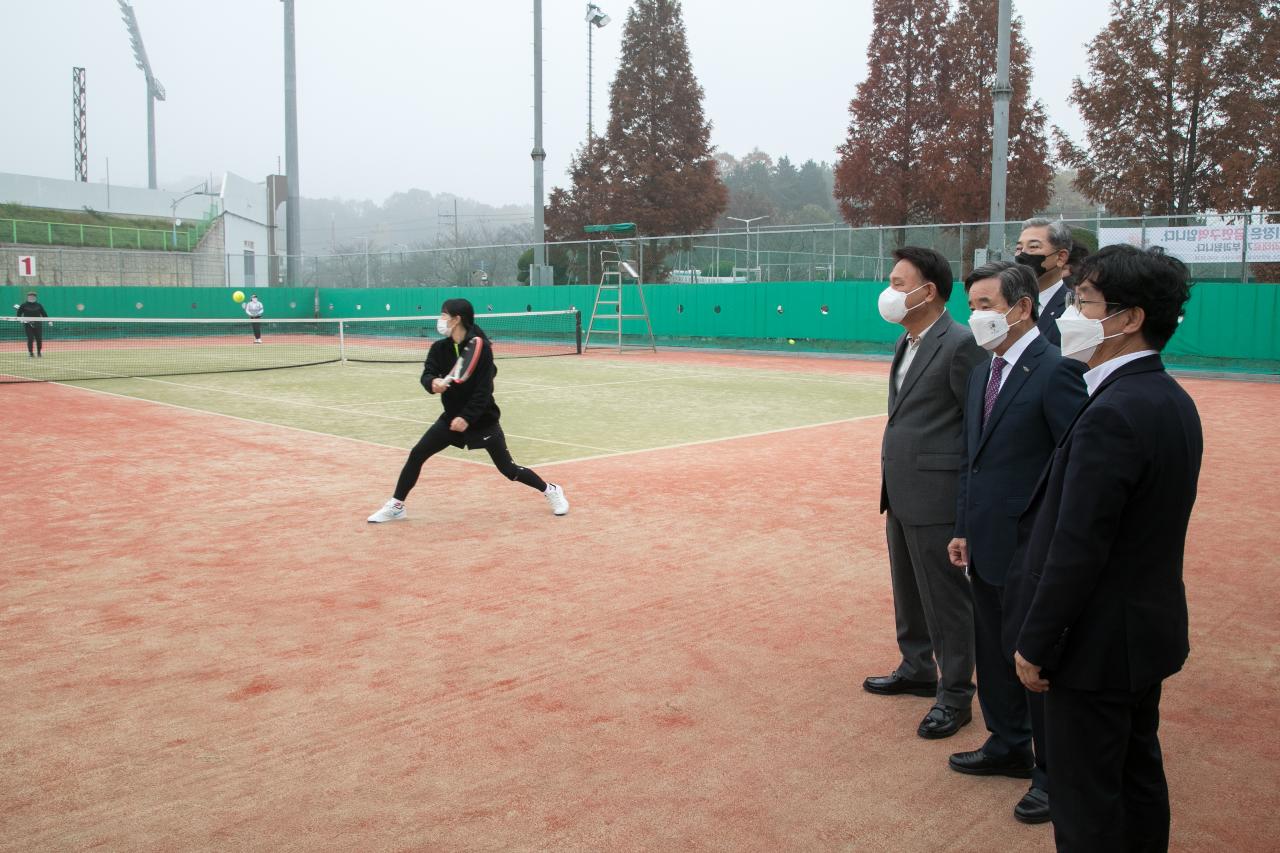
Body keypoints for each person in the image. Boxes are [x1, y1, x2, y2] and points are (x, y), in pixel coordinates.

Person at [1008, 245, 1201, 851]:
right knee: (1137, 777)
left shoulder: (1115, 411)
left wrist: (1037, 643)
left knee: (1087, 798)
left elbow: (1078, 546)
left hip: (1096, 647)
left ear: (1129, 318)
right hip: (1140, 635)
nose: (1067, 312)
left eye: (1082, 301)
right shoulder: (1168, 398)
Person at [945, 261, 1087, 825]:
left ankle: (1052, 774)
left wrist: (1049, 543)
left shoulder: (1056, 372)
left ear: (1021, 307)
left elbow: (1072, 467)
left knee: (1034, 661)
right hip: (983, 541)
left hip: (1031, 548)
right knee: (994, 650)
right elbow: (971, 460)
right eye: (972, 306)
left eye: (985, 305)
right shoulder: (984, 370)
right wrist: (962, 526)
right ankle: (1007, 744)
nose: (976, 316)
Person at [863, 246, 987, 739]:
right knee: (908, 587)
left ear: (927, 291)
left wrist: (963, 508)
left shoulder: (960, 344)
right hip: (901, 488)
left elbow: (974, 427)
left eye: (897, 283)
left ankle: (956, 695)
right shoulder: (907, 341)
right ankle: (917, 668)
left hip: (938, 494)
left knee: (946, 597)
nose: (888, 292)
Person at [367, 298, 569, 523]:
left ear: (456, 319)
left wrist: (467, 417)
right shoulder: (439, 348)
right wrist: (432, 382)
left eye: (444, 315)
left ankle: (550, 490)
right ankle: (397, 505)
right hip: (450, 420)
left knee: (509, 470)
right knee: (417, 454)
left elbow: (484, 391)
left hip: (483, 421)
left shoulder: (481, 349)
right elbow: (427, 373)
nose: (440, 320)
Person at [1013, 218, 1073, 347]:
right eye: (1018, 248)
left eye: (1033, 247)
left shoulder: (1074, 308)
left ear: (1061, 257)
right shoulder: (1008, 304)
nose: (1022, 254)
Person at [15, 291, 51, 358]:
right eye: (30, 296)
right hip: (28, 325)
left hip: (38, 324)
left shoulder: (39, 305)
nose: (31, 297)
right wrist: (21, 320)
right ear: (28, 297)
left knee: (39, 339)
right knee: (30, 338)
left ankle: (39, 353)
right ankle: (31, 353)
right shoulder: (23, 305)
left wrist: (49, 321)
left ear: (35, 297)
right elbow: (18, 315)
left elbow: (44, 313)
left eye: (33, 296)